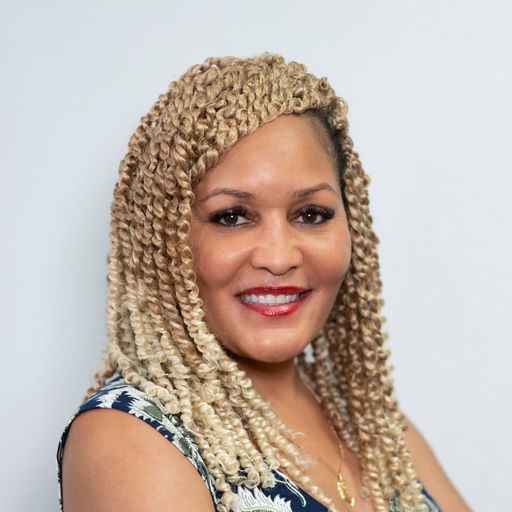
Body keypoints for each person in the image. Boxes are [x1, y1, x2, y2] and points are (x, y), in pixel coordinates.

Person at [57, 53, 471, 512]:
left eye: (311, 214)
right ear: (166, 242)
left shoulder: (372, 426)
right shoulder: (131, 436)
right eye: (232, 216)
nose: (278, 257)